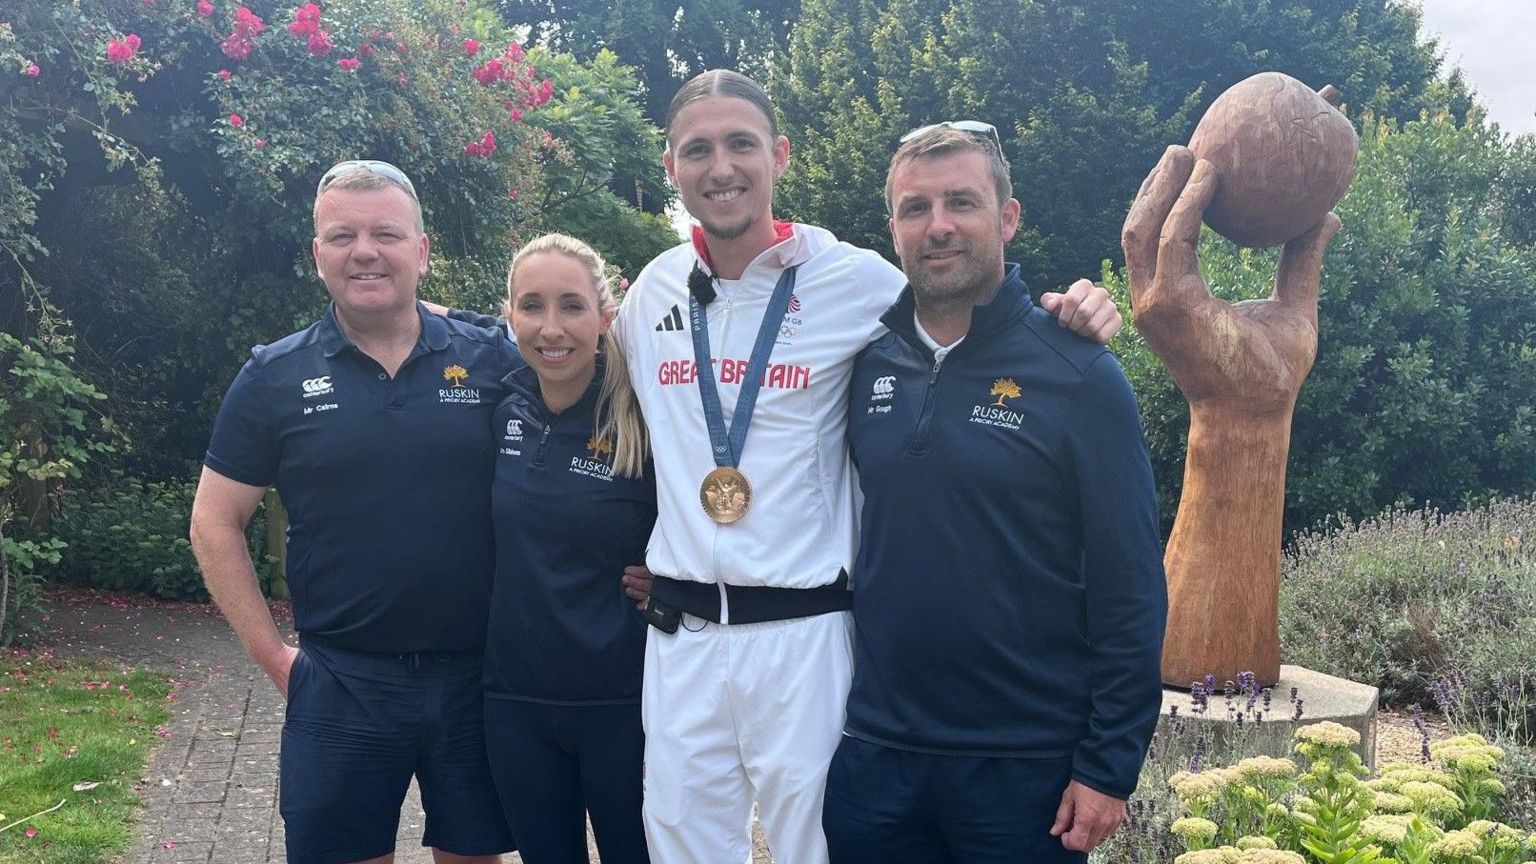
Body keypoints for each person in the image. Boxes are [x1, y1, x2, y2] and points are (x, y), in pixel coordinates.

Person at [612, 70, 1125, 864]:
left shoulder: (856, 281)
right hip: (681, 636)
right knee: (678, 850)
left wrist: (1069, 310)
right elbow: (571, 381)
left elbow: (960, 315)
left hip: (805, 633)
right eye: (698, 149)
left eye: (742, 143)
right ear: (671, 166)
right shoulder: (649, 296)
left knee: (819, 849)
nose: (722, 167)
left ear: (779, 155)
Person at [820, 123, 1166, 863]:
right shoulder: (861, 364)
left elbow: (1130, 585)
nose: (937, 226)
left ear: (1007, 218)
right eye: (915, 209)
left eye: (961, 203)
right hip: (877, 758)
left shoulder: (1078, 373)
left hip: (1024, 774)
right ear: (894, 230)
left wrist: (1108, 767)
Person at [189, 160, 517, 864]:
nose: (364, 251)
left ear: (423, 251)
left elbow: (587, 422)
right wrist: (274, 657)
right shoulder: (272, 375)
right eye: (342, 235)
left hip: (477, 675)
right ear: (317, 255)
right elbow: (214, 521)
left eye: (386, 234)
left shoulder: (493, 359)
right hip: (341, 681)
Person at [480, 234, 654, 864]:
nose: (551, 328)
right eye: (531, 306)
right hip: (514, 701)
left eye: (572, 306)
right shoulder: (502, 402)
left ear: (606, 316)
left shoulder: (647, 417)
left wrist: (675, 579)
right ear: (510, 317)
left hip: (622, 704)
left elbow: (712, 522)